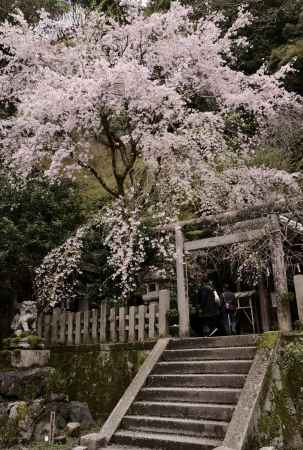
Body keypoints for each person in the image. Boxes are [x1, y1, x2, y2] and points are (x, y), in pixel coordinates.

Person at [197, 272, 220, 336]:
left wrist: (201, 307)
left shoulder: (204, 289)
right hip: (213, 310)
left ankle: (210, 331)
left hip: (207, 310)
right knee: (209, 322)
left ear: (203, 282)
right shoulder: (212, 289)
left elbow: (203, 299)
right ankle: (209, 332)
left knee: (206, 322)